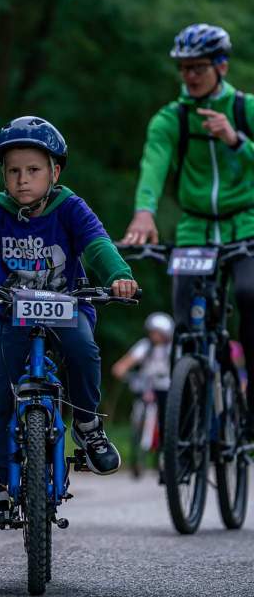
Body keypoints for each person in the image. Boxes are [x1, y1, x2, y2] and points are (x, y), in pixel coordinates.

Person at [0, 116, 138, 518]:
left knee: (84, 351)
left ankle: (87, 427)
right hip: (11, 313)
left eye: (33, 170)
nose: (22, 180)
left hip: (67, 307)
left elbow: (97, 245)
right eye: (13, 171)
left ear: (54, 172)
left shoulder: (70, 208)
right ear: (3, 175)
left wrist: (119, 276)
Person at [123, 23, 254, 430]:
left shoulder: (245, 109)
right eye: (183, 68)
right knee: (186, 321)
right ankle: (192, 415)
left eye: (198, 67)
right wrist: (144, 211)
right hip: (196, 230)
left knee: (251, 295)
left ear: (221, 66)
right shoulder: (171, 119)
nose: (190, 76)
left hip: (246, 224)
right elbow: (153, 165)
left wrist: (237, 141)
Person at [112, 312, 174, 442]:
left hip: (166, 388)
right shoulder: (145, 345)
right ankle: (137, 439)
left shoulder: (172, 349)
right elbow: (127, 361)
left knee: (167, 416)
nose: (154, 335)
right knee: (138, 411)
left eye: (158, 332)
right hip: (146, 385)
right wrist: (121, 369)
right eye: (152, 331)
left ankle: (164, 444)